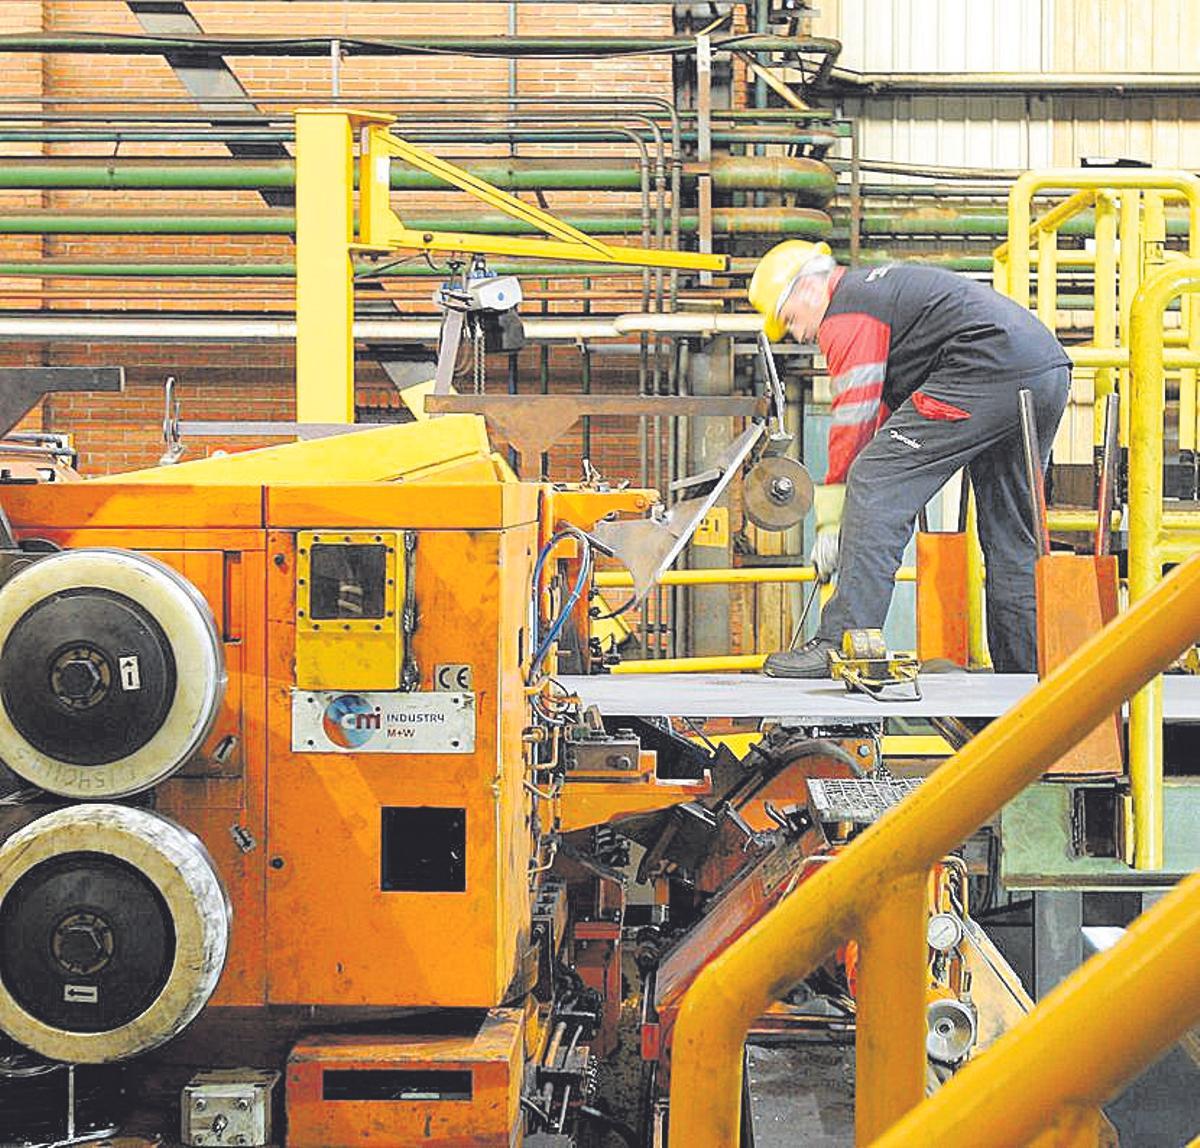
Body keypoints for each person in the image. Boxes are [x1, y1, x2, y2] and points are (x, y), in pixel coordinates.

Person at [747, 241, 1072, 678]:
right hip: (1042, 369)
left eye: (790, 318)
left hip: (985, 366)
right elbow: (883, 412)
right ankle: (1025, 677)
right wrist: (842, 521)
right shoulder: (883, 295)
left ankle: (840, 642)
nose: (800, 333)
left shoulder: (846, 312)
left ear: (808, 288)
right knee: (1009, 536)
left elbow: (855, 416)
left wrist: (829, 521)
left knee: (876, 479)